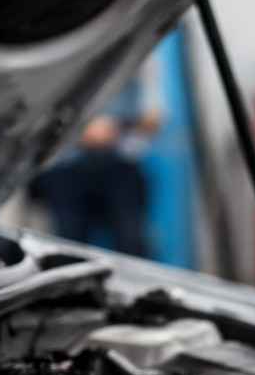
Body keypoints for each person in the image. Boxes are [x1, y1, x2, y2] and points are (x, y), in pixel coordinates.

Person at [32, 75, 160, 257]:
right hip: (66, 167)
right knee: (68, 246)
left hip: (121, 167)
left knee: (132, 241)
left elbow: (154, 118)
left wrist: (117, 125)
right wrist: (79, 129)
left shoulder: (136, 56)